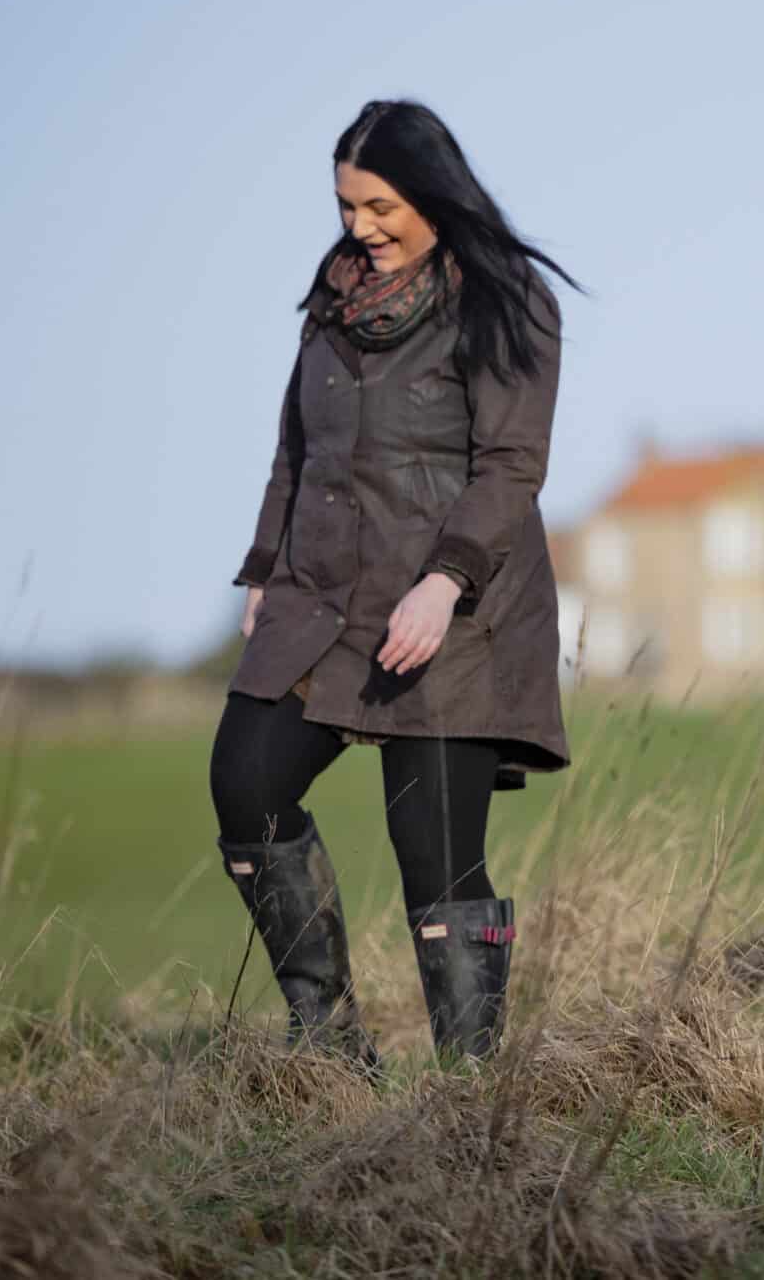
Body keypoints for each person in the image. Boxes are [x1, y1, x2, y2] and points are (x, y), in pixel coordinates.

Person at [212, 98, 573, 1070]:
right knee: (245, 787)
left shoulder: (506, 301)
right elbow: (297, 448)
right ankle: (327, 1049)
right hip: (322, 596)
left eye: (378, 206)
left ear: (431, 194)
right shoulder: (331, 303)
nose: (359, 227)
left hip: (456, 609)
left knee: (436, 854)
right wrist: (264, 568)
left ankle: (467, 1102)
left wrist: (444, 581)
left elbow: (511, 467)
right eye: (345, 206)